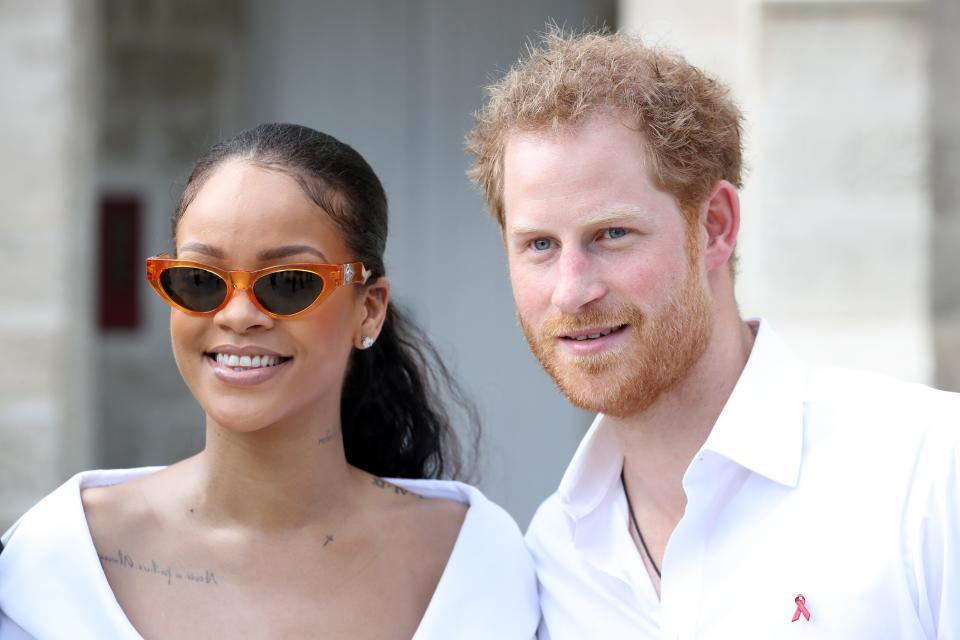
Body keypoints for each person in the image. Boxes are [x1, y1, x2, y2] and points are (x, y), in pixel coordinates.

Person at [465, 29, 960, 639]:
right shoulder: (550, 561)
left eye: (612, 234)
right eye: (539, 245)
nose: (571, 291)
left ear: (716, 227)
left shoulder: (931, 471)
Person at [0, 123, 539, 639]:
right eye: (199, 280)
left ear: (369, 309)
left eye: (287, 283)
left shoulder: (476, 562)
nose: (237, 315)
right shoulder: (59, 560)